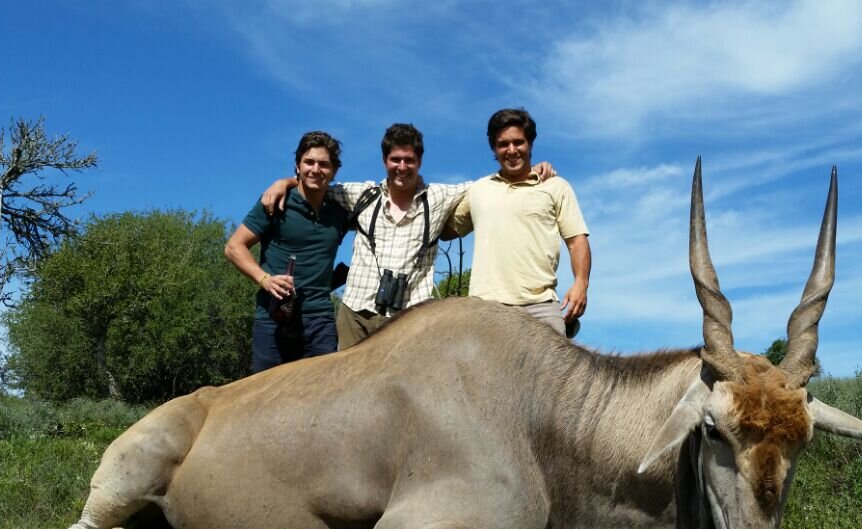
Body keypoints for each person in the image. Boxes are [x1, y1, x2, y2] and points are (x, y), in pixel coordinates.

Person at [262, 123, 554, 349]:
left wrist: (532, 169)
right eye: (395, 159)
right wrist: (285, 182)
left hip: (411, 319)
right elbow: (317, 183)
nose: (402, 167)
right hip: (357, 314)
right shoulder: (361, 195)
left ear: (420, 161)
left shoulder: (440, 196)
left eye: (409, 160)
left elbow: (489, 184)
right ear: (385, 160)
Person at [444, 108, 590, 336]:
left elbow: (576, 241)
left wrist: (581, 283)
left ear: (530, 144)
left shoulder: (555, 186)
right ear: (494, 147)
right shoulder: (479, 190)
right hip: (484, 309)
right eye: (503, 144)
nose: (511, 150)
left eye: (518, 142)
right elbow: (445, 231)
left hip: (541, 307)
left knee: (552, 373)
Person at [225, 131, 350, 373]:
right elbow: (233, 247)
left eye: (324, 164)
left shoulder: (340, 211)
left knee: (321, 399)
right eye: (309, 162)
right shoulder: (275, 202)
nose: (315, 169)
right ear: (297, 166)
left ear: (334, 171)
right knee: (264, 401)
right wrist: (265, 279)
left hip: (320, 320)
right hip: (274, 319)